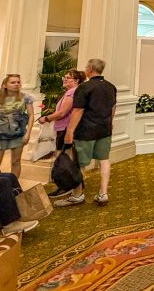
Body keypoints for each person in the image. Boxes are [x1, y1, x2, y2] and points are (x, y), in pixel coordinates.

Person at [55, 59, 116, 208]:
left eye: (86, 67)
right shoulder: (110, 86)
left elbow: (78, 110)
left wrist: (70, 131)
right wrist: (110, 122)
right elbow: (113, 107)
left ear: (90, 69)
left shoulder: (84, 87)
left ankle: (77, 195)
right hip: (104, 129)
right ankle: (103, 193)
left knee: (79, 163)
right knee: (104, 160)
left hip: (86, 131)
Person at [38, 69, 86, 197]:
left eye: (68, 78)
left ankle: (68, 187)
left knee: (65, 161)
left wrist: (46, 118)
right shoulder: (73, 91)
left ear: (76, 81)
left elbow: (62, 113)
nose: (64, 79)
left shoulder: (71, 92)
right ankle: (73, 186)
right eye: (64, 77)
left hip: (65, 129)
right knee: (69, 159)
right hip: (66, 128)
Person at [0, 74, 34, 178]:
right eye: (13, 82)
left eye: (18, 82)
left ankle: (14, 184)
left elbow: (31, 115)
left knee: (16, 161)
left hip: (18, 133)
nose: (16, 84)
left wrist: (28, 134)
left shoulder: (26, 98)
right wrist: (7, 115)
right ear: (5, 85)